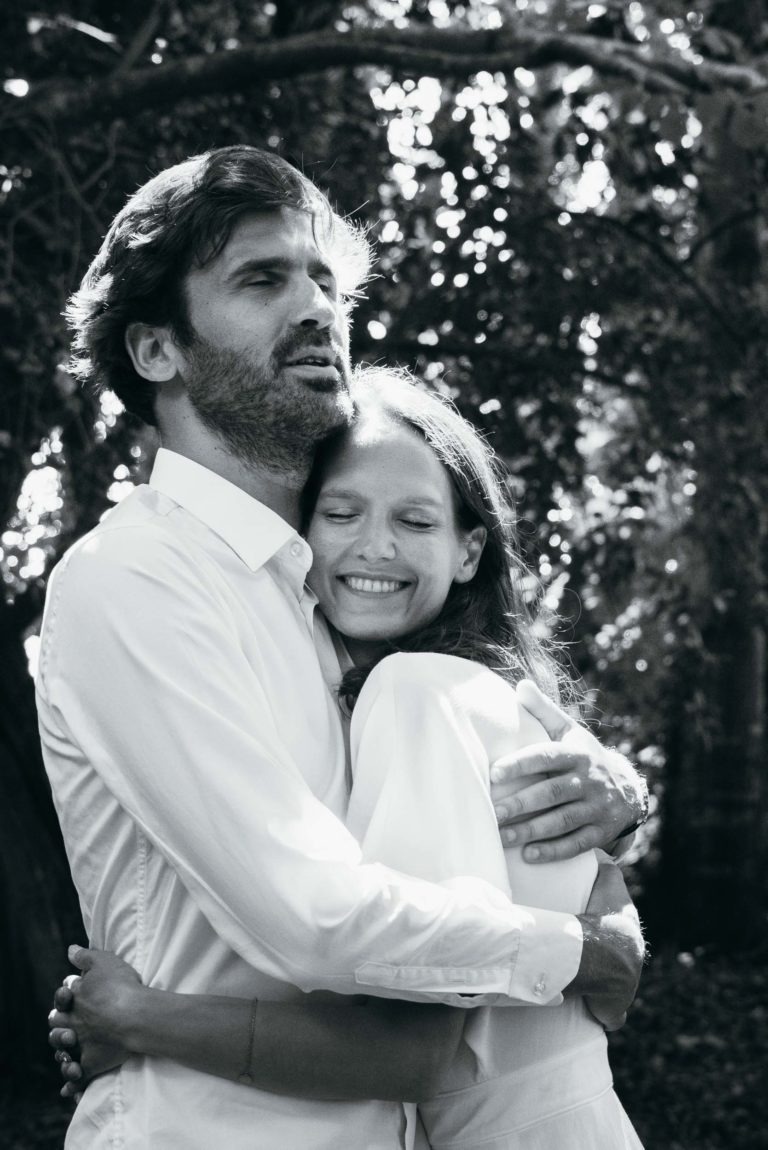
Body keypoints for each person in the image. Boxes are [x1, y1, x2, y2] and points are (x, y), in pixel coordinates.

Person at [38, 146, 646, 1149]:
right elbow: (316, 916)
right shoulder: (134, 578)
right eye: (264, 278)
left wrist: (612, 796)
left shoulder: (331, 600)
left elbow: (481, 762)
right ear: (157, 352)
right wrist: (576, 952)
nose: (320, 307)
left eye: (327, 279)